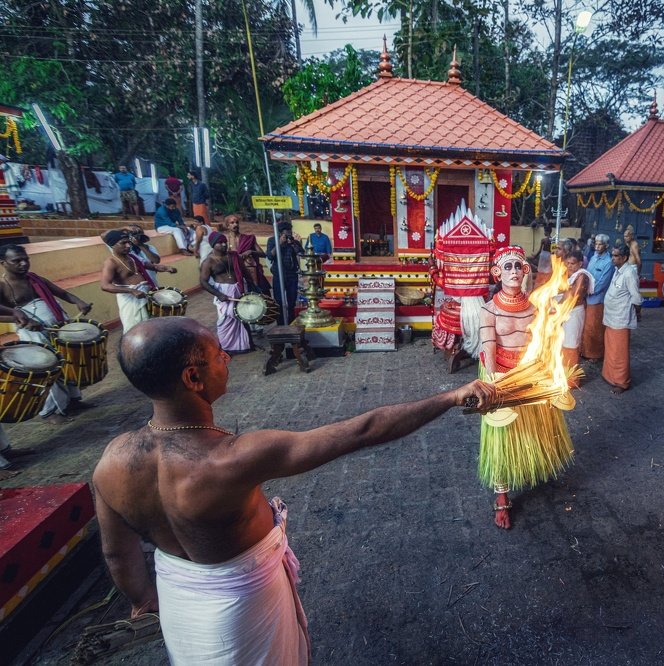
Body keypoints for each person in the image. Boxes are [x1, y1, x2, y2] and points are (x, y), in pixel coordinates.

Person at [92, 317, 496, 664]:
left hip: (180, 601)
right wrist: (451, 395)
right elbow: (364, 430)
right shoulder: (231, 458)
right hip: (241, 610)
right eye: (218, 353)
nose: (227, 357)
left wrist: (146, 600)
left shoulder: (112, 461)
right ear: (192, 378)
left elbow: (117, 552)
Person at [478, 246, 574, 529]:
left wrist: (555, 373)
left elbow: (546, 343)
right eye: (507, 267)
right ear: (496, 273)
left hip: (530, 376)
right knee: (501, 440)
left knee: (533, 432)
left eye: (518, 266)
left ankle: (533, 466)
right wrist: (495, 385)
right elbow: (488, 349)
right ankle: (502, 496)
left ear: (526, 271)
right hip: (501, 377)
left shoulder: (537, 307)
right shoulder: (489, 310)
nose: (513, 272)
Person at [0, 244, 93, 426]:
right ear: (3, 263)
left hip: (56, 328)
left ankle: (73, 401)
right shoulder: (3, 288)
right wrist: (23, 320)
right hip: (33, 334)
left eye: (26, 259)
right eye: (16, 261)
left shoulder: (35, 279)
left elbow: (61, 293)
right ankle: (49, 412)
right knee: (48, 370)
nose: (23, 264)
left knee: (67, 364)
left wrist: (79, 302)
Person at [100, 230, 177, 333]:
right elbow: (105, 286)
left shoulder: (132, 257)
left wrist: (166, 268)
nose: (128, 246)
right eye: (123, 243)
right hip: (130, 300)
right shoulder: (111, 262)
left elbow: (152, 266)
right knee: (133, 330)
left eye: (128, 242)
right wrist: (131, 291)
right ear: (112, 245)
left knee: (152, 327)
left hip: (145, 294)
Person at [200, 232, 251, 354]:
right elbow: (203, 282)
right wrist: (219, 295)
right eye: (220, 243)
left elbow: (244, 271)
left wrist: (253, 286)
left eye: (225, 242)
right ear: (213, 245)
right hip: (223, 292)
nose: (224, 245)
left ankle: (244, 345)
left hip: (238, 288)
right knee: (225, 320)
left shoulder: (234, 256)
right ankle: (226, 347)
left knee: (242, 316)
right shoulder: (208, 261)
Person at [602, 245, 642, 393]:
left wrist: (636, 313)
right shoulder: (617, 270)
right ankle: (609, 376)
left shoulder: (629, 273)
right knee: (611, 349)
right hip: (611, 317)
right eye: (612, 255)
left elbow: (636, 297)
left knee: (620, 353)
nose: (612, 258)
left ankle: (622, 383)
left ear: (624, 258)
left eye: (616, 256)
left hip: (621, 319)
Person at [580, 234, 613, 362]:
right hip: (586, 297)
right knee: (585, 326)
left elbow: (602, 284)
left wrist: (587, 291)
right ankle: (584, 350)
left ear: (606, 246)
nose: (597, 246)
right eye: (596, 244)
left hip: (597, 300)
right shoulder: (593, 257)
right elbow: (587, 274)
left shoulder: (608, 262)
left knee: (595, 328)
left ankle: (595, 354)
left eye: (600, 244)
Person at [266, 222, 305, 324]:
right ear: (280, 232)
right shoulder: (272, 240)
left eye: (290, 231)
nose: (289, 233)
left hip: (292, 275)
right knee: (278, 301)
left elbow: (301, 253)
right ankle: (281, 324)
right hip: (279, 275)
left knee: (292, 301)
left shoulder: (293, 242)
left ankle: (292, 322)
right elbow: (270, 256)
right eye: (286, 231)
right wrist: (279, 244)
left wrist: (292, 244)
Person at [560, 250, 593, 371]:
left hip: (575, 313)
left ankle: (571, 378)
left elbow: (574, 297)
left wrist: (557, 308)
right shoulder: (571, 275)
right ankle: (562, 373)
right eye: (567, 263)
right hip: (567, 312)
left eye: (572, 263)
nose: (569, 266)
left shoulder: (582, 276)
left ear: (580, 264)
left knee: (571, 344)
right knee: (564, 341)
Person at [223, 215, 271, 296]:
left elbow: (263, 254)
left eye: (237, 222)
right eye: (232, 223)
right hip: (234, 270)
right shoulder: (225, 241)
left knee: (256, 293)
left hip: (250, 269)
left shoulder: (248, 239)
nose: (235, 225)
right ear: (227, 226)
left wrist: (251, 251)